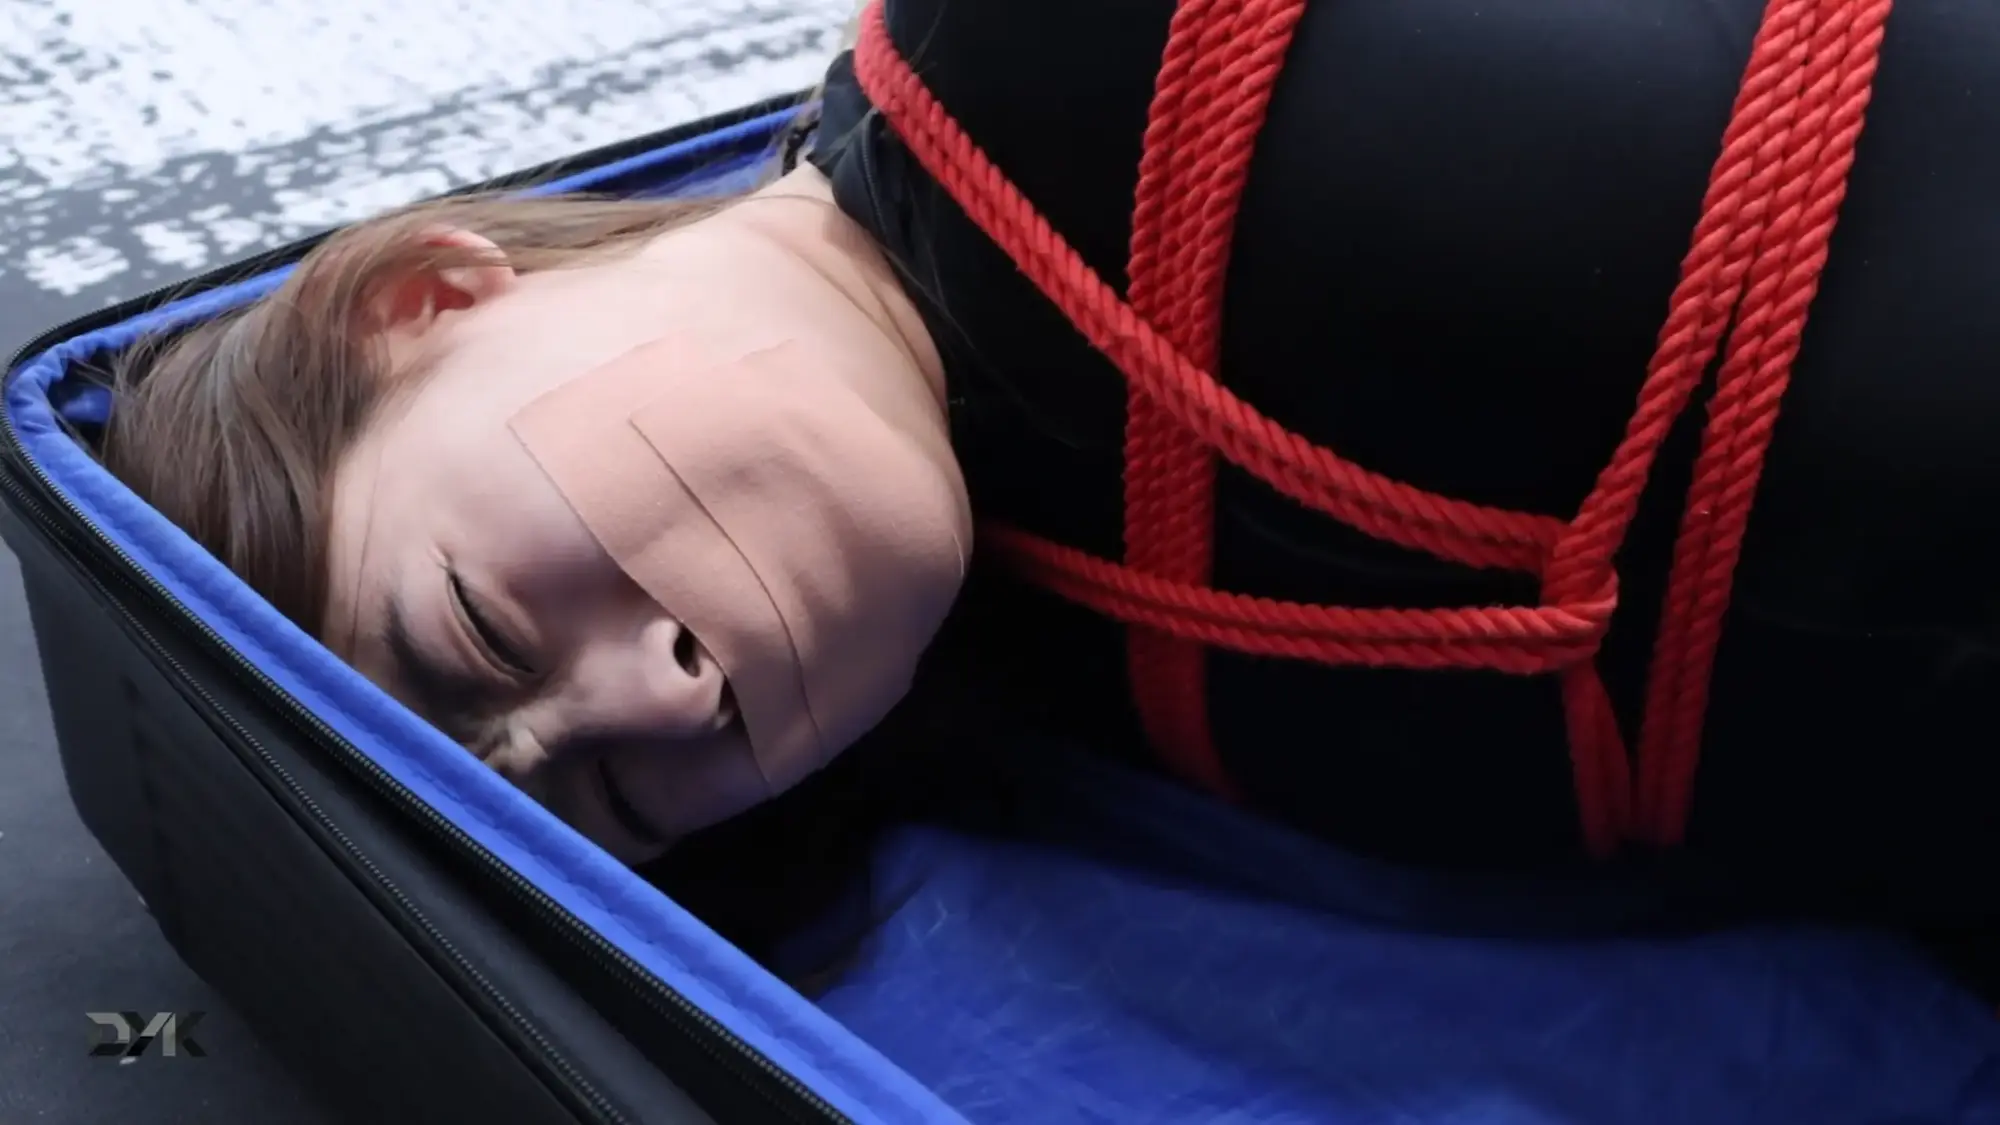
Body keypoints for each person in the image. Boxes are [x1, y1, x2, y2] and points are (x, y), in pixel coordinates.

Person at [96, 0, 2000, 927]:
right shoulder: (1071, 706)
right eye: (618, 806)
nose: (667, 697)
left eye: (478, 624)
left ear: (426, 300)